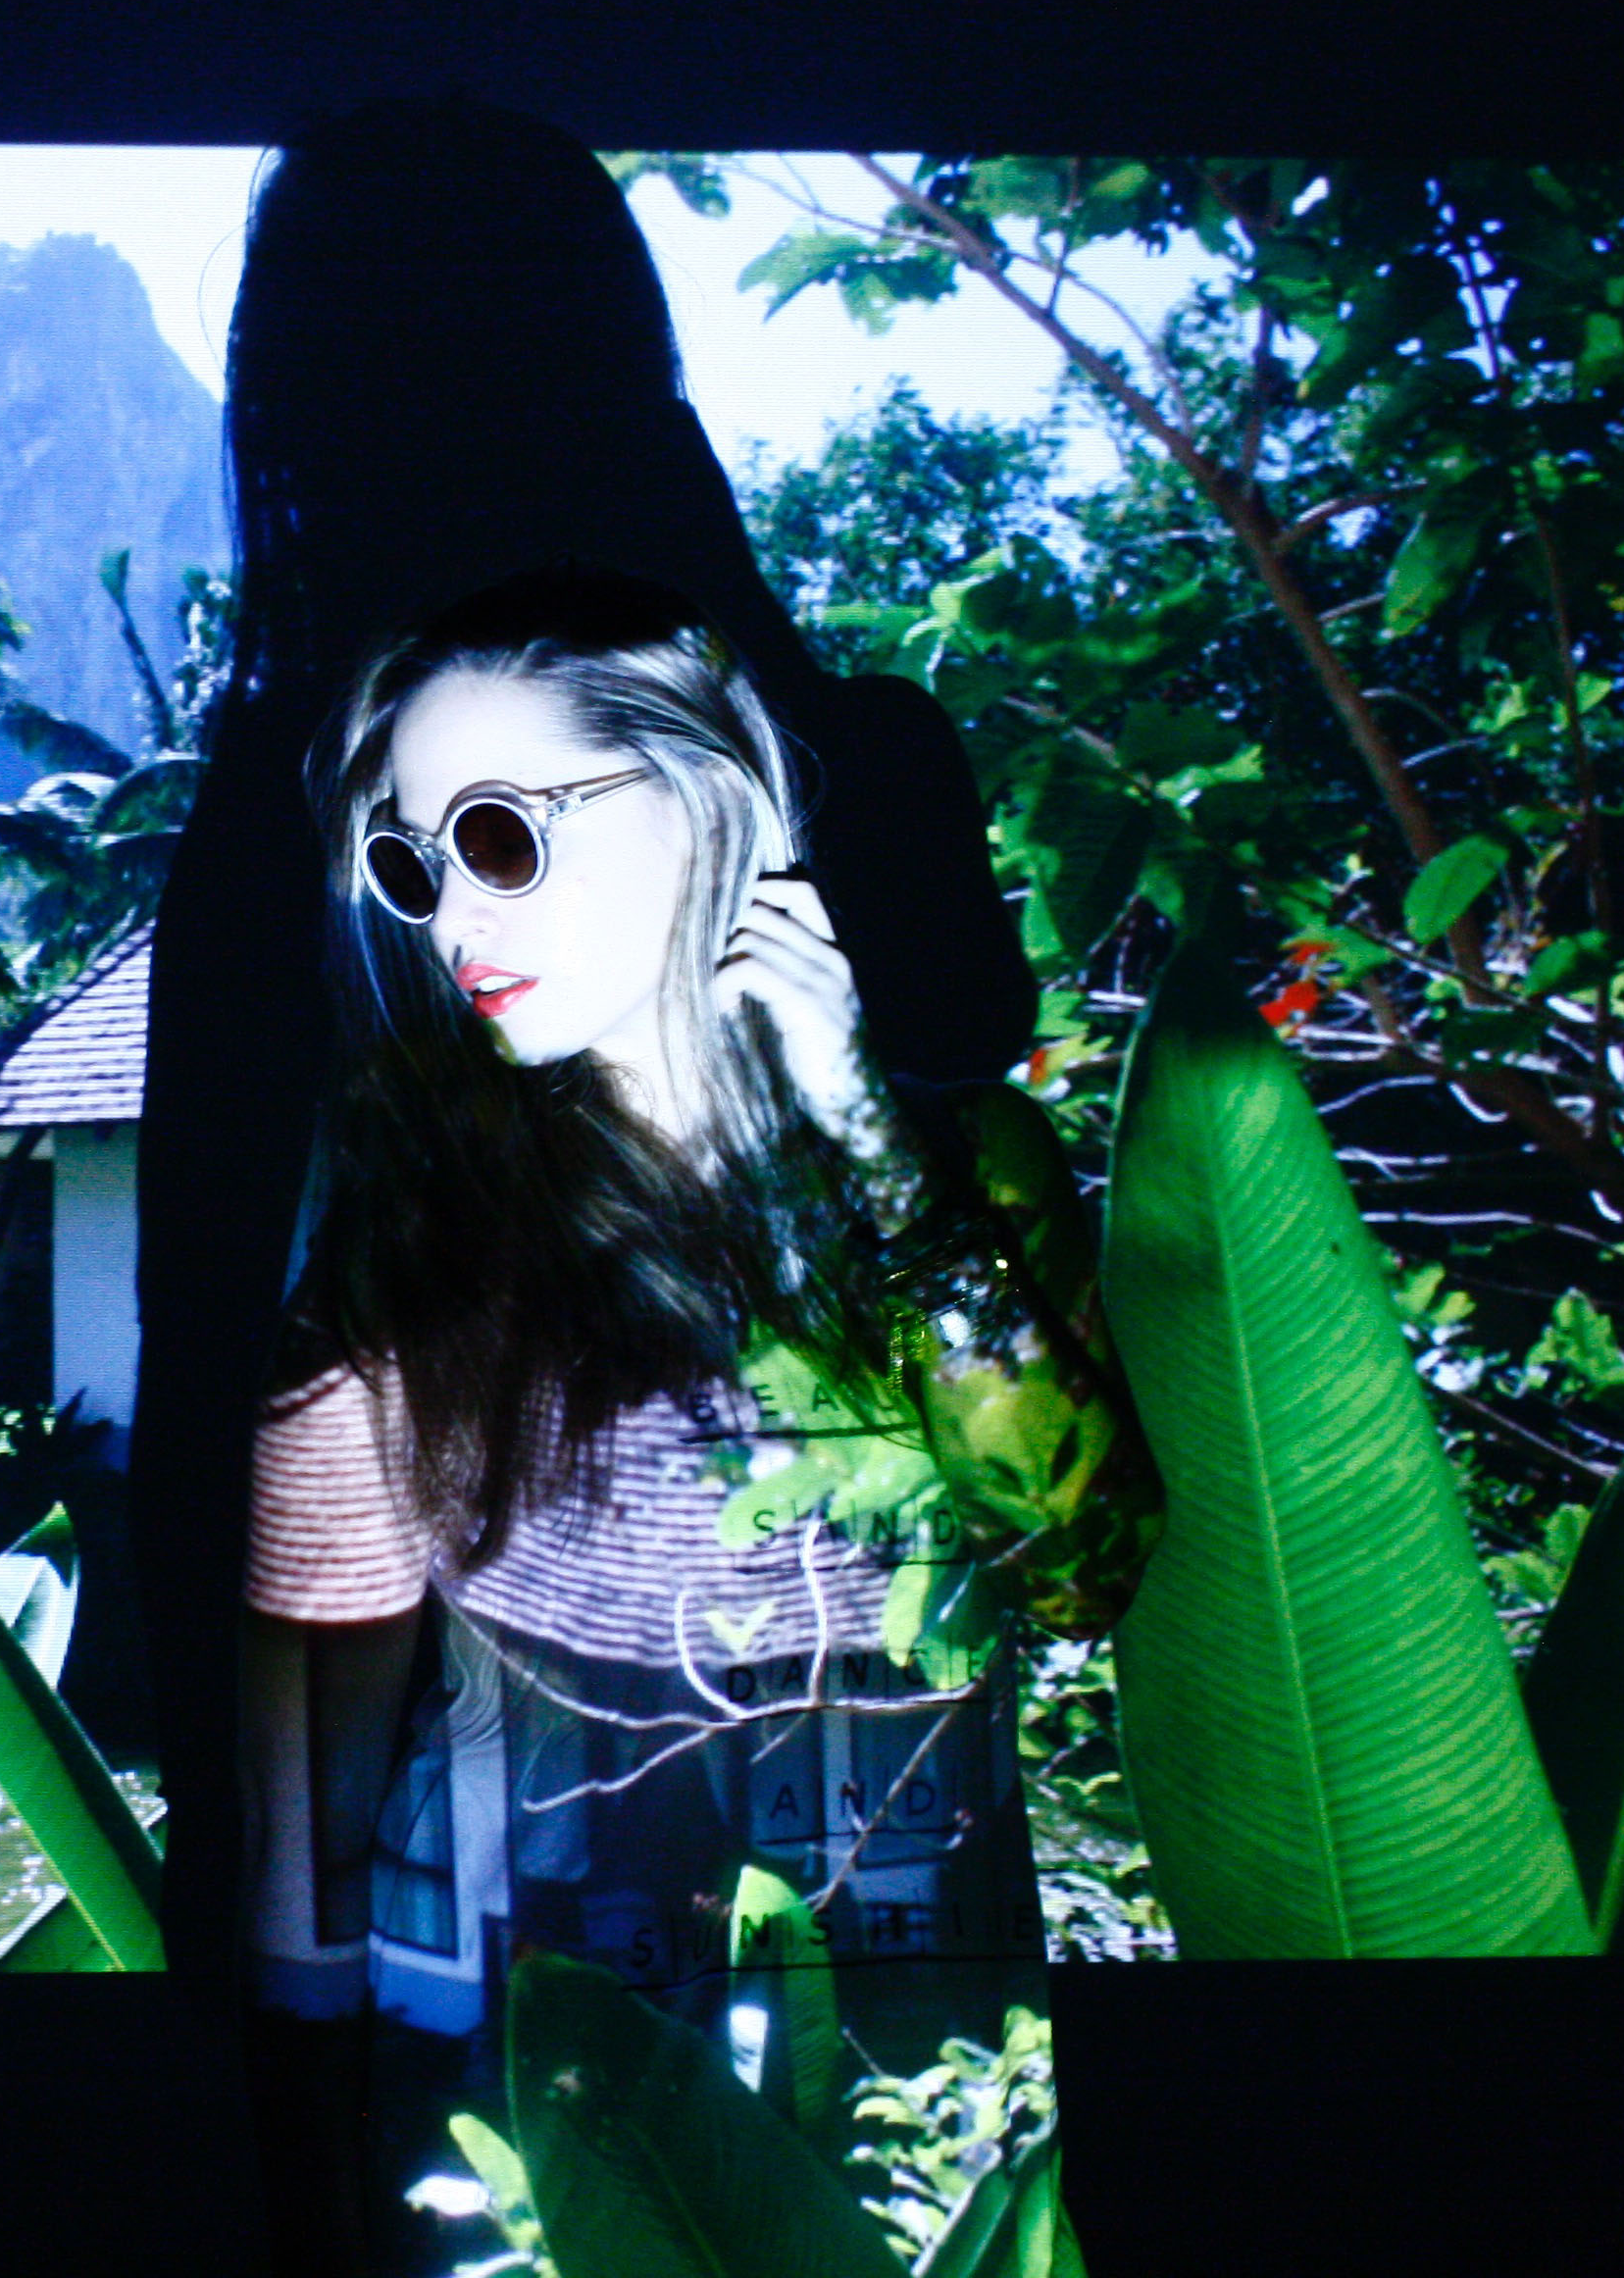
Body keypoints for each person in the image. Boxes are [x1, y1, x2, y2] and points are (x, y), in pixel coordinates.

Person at [237, 561, 1160, 2273]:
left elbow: (1085, 1569)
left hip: (914, 2011)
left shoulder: (966, 1168)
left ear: (704, 802)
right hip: (507, 2021)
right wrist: (303, 2014)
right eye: (414, 865)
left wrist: (866, 1139)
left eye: (501, 836)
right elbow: (326, 1639)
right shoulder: (405, 1208)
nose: (453, 920)